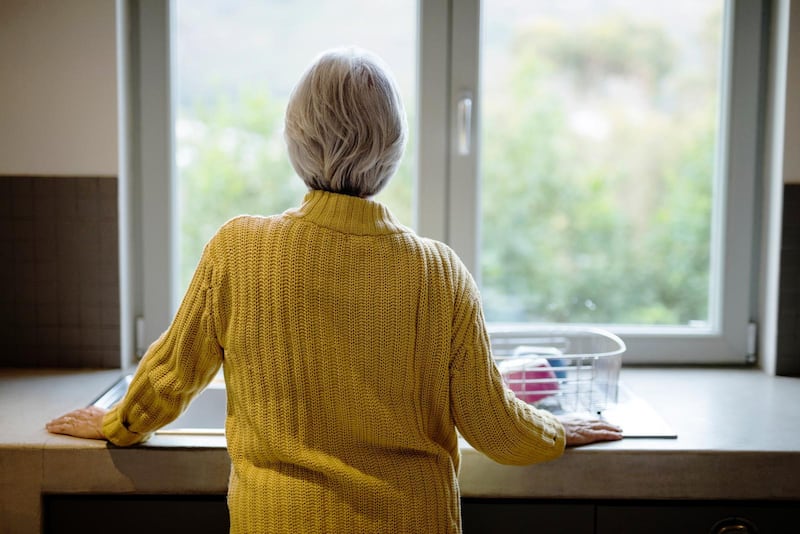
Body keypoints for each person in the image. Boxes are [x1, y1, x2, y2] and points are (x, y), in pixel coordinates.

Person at [47, 47, 622, 533]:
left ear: (296, 140)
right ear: (393, 147)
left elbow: (171, 377)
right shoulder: (439, 273)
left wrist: (118, 423)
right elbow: (494, 426)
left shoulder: (239, 249)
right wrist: (555, 432)